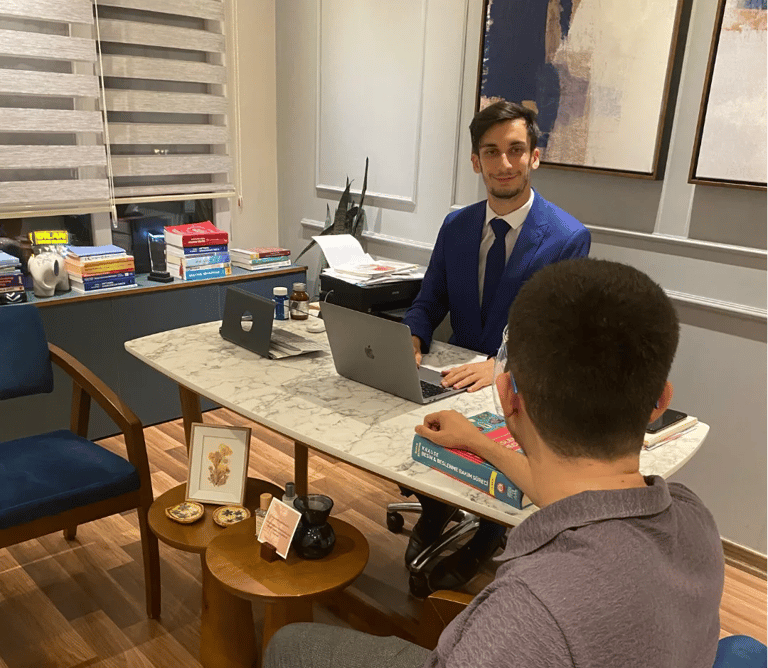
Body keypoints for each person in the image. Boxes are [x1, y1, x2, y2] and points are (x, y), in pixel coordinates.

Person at [263, 258, 725, 668]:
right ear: (659, 402)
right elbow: (569, 490)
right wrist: (477, 442)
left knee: (291, 645)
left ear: (507, 397)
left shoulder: (530, 613)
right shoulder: (694, 517)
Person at [399, 100, 590, 590]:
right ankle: (435, 508)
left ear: (534, 157)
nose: (504, 163)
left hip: (520, 392)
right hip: (453, 379)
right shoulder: (456, 227)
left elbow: (559, 336)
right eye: (491, 151)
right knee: (406, 430)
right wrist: (412, 336)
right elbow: (429, 300)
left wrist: (503, 367)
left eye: (516, 150)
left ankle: (488, 533)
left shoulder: (568, 237)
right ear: (475, 161)